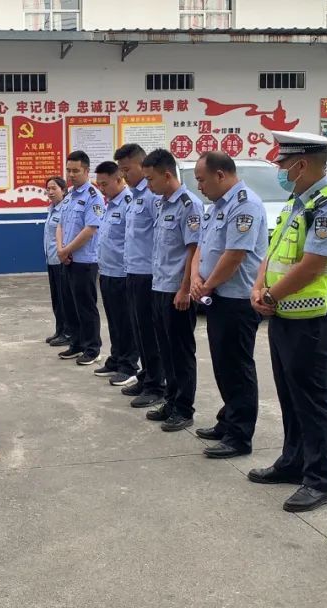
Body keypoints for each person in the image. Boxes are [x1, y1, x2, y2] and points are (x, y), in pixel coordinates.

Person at [248, 132, 327, 513]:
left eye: (283, 165)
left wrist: (271, 296)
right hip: (283, 315)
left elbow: (314, 264)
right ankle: (293, 461)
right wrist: (259, 286)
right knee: (290, 396)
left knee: (312, 399)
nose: (280, 171)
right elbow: (272, 251)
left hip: (311, 320)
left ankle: (320, 480)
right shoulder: (299, 202)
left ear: (302, 164)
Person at [189, 151, 267, 459]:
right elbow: (202, 246)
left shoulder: (245, 205)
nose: (199, 187)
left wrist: (206, 284)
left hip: (237, 300)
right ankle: (228, 419)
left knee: (237, 367)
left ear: (220, 175)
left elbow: (235, 255)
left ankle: (239, 435)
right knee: (223, 364)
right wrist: (196, 278)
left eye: (201, 180)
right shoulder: (217, 206)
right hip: (218, 296)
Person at [142, 149, 201, 432]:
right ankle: (171, 400)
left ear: (167, 175)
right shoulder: (161, 203)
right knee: (166, 350)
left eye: (150, 179)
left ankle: (184, 408)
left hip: (177, 290)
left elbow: (194, 249)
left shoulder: (189, 205)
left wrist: (185, 289)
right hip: (159, 286)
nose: (148, 185)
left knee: (180, 352)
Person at [115, 144, 166, 408]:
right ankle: (146, 376)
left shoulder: (153, 196)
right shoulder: (135, 196)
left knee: (150, 332)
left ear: (141, 164)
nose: (124, 175)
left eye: (127, 169)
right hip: (133, 271)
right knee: (139, 330)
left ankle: (157, 385)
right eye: (121, 171)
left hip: (148, 274)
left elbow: (160, 238)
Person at [93, 161, 140, 387]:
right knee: (113, 320)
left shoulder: (128, 203)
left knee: (126, 322)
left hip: (123, 273)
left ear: (119, 179)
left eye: (105, 184)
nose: (102, 189)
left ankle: (129, 366)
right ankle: (116, 358)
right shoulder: (110, 204)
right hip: (107, 271)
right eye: (99, 184)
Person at [56, 150, 104, 366]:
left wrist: (67, 250)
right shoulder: (69, 196)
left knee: (86, 306)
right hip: (67, 259)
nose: (71, 175)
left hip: (85, 261)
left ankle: (92, 348)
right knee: (70, 305)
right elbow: (60, 225)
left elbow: (90, 229)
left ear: (86, 171)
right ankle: (76, 343)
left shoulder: (93, 197)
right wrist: (61, 249)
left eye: (76, 171)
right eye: (68, 170)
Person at [44, 176, 76, 348]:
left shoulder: (65, 209)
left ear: (63, 190)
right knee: (56, 299)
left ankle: (68, 333)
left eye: (54, 188)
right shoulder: (51, 209)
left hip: (61, 260)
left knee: (65, 300)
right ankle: (60, 330)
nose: (50, 192)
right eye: (48, 189)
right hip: (51, 259)